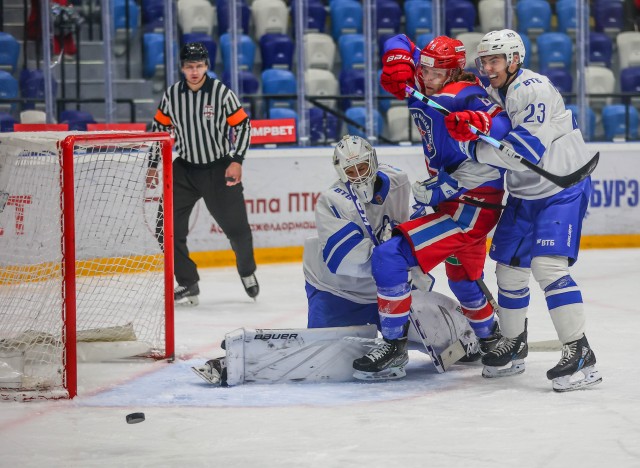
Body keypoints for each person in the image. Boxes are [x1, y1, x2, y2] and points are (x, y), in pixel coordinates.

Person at [192, 135, 481, 386]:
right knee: (322, 354)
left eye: (362, 167)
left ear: (374, 161)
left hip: (388, 287)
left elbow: (411, 221)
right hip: (338, 289)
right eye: (350, 170)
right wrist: (404, 260)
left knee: (441, 326)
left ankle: (479, 337)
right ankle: (239, 362)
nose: (358, 175)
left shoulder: (398, 180)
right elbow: (348, 260)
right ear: (340, 171)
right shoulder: (332, 201)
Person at [443, 29, 602, 392]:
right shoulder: (493, 91)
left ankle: (580, 352)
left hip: (561, 189)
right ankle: (514, 344)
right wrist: (475, 125)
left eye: (494, 60)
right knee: (510, 270)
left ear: (515, 59)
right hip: (524, 193)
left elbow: (522, 152)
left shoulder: (533, 89)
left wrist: (469, 147)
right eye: (483, 61)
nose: (487, 68)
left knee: (548, 267)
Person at [352, 35, 511, 380]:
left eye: (434, 72)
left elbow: (501, 135)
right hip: (460, 204)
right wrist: (397, 59)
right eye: (421, 68)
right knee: (464, 281)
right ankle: (493, 341)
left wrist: (446, 186)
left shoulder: (466, 96)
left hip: (468, 208)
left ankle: (393, 346)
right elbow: (399, 40)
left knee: (389, 256)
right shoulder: (431, 83)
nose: (424, 77)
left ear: (454, 71)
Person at [149, 42, 259, 306]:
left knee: (237, 230)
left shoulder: (221, 92)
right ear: (182, 68)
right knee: (167, 228)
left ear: (206, 67)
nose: (194, 71)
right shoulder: (172, 94)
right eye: (189, 66)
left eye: (199, 66)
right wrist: (153, 165)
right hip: (185, 169)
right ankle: (188, 283)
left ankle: (247, 272)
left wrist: (237, 160)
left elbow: (243, 126)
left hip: (219, 168)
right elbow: (158, 130)